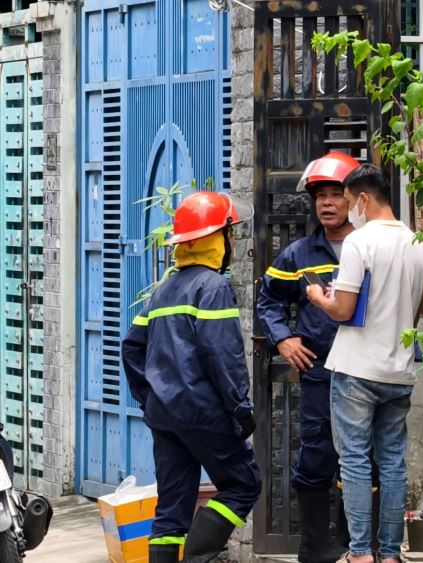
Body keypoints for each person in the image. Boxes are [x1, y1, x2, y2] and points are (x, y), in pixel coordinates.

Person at [122, 191, 261, 563]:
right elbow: (223, 355)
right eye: (229, 233)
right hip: (203, 413)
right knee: (243, 484)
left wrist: (149, 397)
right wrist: (240, 408)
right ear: (216, 239)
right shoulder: (213, 288)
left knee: (171, 510)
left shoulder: (163, 290)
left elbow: (131, 347)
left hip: (164, 415)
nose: (232, 241)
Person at [306, 164, 423, 563]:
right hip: (399, 371)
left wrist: (316, 297)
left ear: (362, 199)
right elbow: (409, 315)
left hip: (357, 370)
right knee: (392, 463)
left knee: (355, 462)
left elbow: (343, 310)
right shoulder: (419, 246)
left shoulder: (360, 243)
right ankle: (391, 555)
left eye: (346, 201)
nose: (346, 210)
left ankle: (360, 553)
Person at [257, 150, 360, 562]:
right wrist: (283, 338)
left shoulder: (370, 246)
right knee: (316, 457)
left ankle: (359, 547)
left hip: (367, 375)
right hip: (320, 374)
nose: (327, 203)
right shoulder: (299, 255)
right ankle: (316, 550)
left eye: (336, 194)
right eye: (320, 196)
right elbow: (269, 300)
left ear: (356, 199)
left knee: (364, 460)